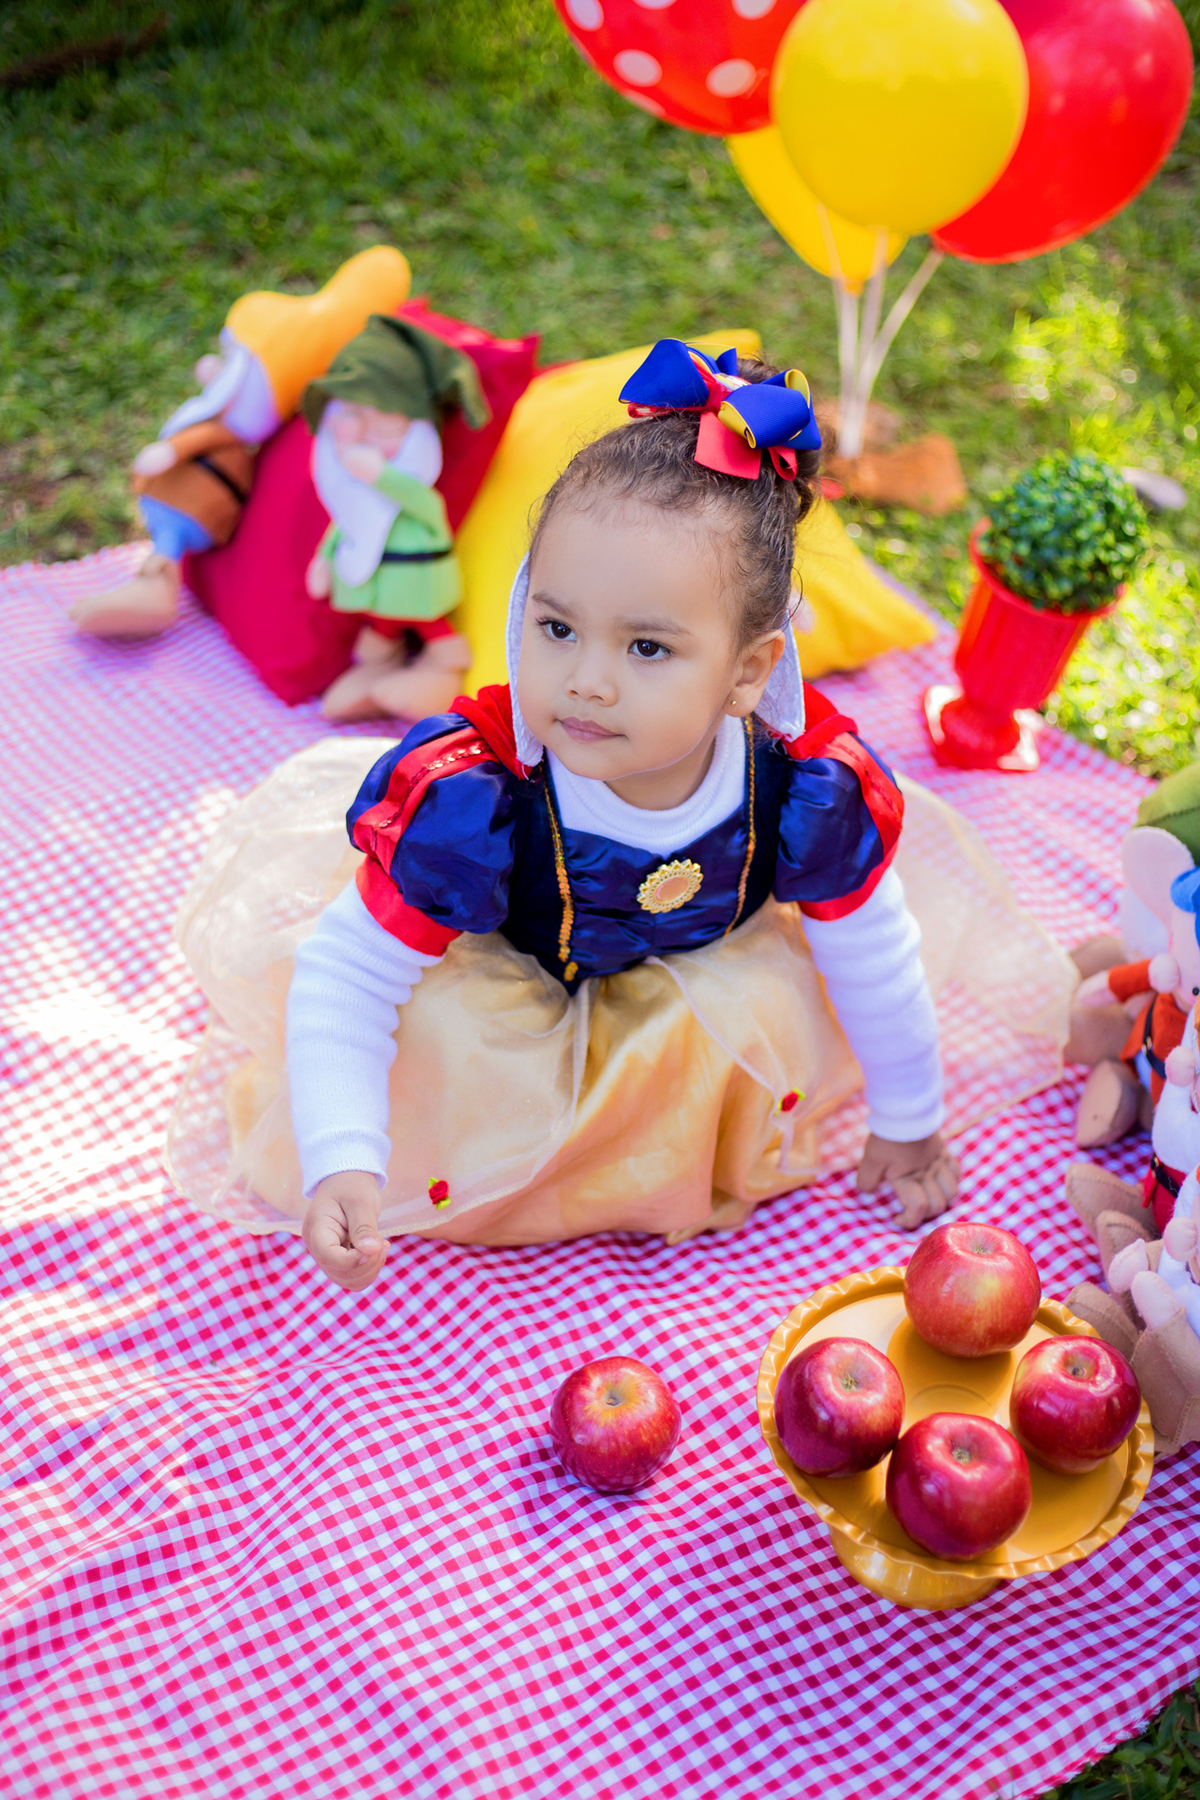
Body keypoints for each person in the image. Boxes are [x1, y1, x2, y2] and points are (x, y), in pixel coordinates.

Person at [169, 341, 1075, 1286]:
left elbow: (874, 952)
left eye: (647, 648)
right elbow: (350, 975)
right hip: (519, 986)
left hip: (705, 991)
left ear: (748, 672)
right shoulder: (477, 805)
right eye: (556, 628)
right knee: (443, 1058)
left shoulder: (804, 791)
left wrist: (909, 1116)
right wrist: (345, 1157)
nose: (587, 682)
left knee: (785, 999)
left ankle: (672, 1148)